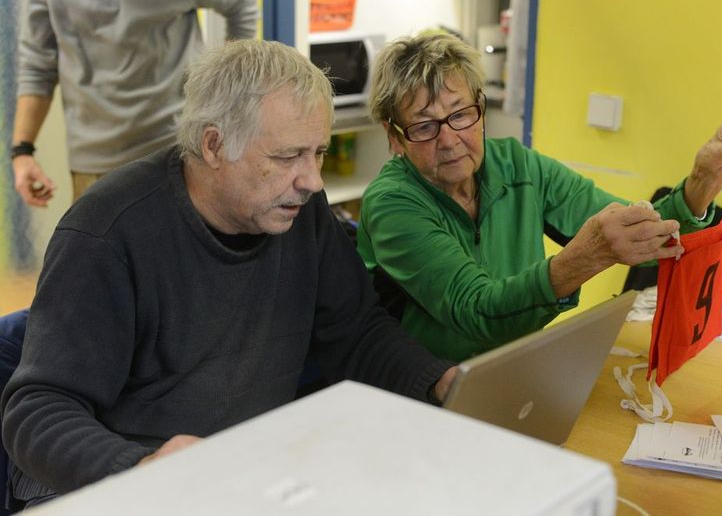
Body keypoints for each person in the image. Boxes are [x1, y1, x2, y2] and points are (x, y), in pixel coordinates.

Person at [1, 39, 457, 507]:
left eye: (318, 152)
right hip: (114, 485)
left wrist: (440, 383)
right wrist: (142, 467)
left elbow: (357, 333)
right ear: (214, 145)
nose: (312, 180)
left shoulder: (301, 212)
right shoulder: (108, 233)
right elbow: (37, 411)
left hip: (242, 473)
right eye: (287, 156)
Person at [356, 32, 722, 362]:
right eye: (424, 127)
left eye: (460, 114)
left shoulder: (517, 167)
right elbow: (479, 312)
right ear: (395, 138)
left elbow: (635, 235)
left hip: (515, 368)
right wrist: (585, 258)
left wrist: (701, 182)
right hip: (424, 391)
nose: (449, 140)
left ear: (480, 109)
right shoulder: (393, 203)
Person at [10, 0, 258, 206]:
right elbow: (37, 66)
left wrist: (225, 95)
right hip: (92, 162)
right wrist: (23, 151)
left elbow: (241, 1)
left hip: (175, 152)